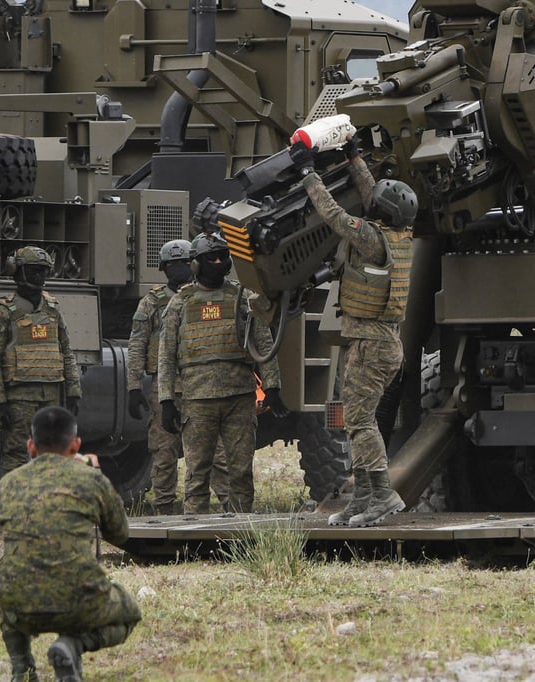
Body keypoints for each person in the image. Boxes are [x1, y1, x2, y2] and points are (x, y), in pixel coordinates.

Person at [289, 134, 417, 527]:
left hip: (369, 345)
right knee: (359, 421)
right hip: (383, 343)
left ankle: (382, 494)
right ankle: (362, 497)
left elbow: (333, 214)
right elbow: (372, 196)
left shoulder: (369, 238)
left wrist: (309, 172)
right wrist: (353, 156)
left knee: (359, 423)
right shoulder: (397, 237)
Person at [0, 406, 141, 682]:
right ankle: (73, 645)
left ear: (31, 447)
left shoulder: (8, 483)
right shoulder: (91, 479)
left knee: (9, 574)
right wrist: (96, 476)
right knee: (129, 614)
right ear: (76, 445)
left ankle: (21, 667)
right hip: (78, 600)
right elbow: (120, 534)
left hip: (19, 605)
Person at [158, 232, 287, 514]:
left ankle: (241, 533)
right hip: (197, 400)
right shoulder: (179, 304)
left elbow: (263, 344)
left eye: (222, 257)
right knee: (197, 473)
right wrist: (166, 401)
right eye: (210, 258)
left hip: (239, 398)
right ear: (196, 264)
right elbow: (166, 357)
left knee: (241, 471)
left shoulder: (243, 299)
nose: (218, 262)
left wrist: (273, 387)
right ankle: (194, 537)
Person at [127, 239, 230, 514]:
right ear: (163, 268)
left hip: (201, 388)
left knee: (216, 452)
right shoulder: (151, 302)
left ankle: (233, 508)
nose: (178, 269)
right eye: (172, 265)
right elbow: (137, 345)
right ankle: (163, 509)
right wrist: (133, 386)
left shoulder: (202, 297)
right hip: (165, 391)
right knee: (163, 453)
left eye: (184, 263)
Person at [0, 245, 82, 475]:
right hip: (18, 398)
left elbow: (66, 351)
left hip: (50, 395)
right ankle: (14, 505)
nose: (40, 276)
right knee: (15, 454)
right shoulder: (3, 313)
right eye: (33, 270)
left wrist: (73, 390)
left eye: (43, 271)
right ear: (17, 272)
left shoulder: (52, 310)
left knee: (54, 452)